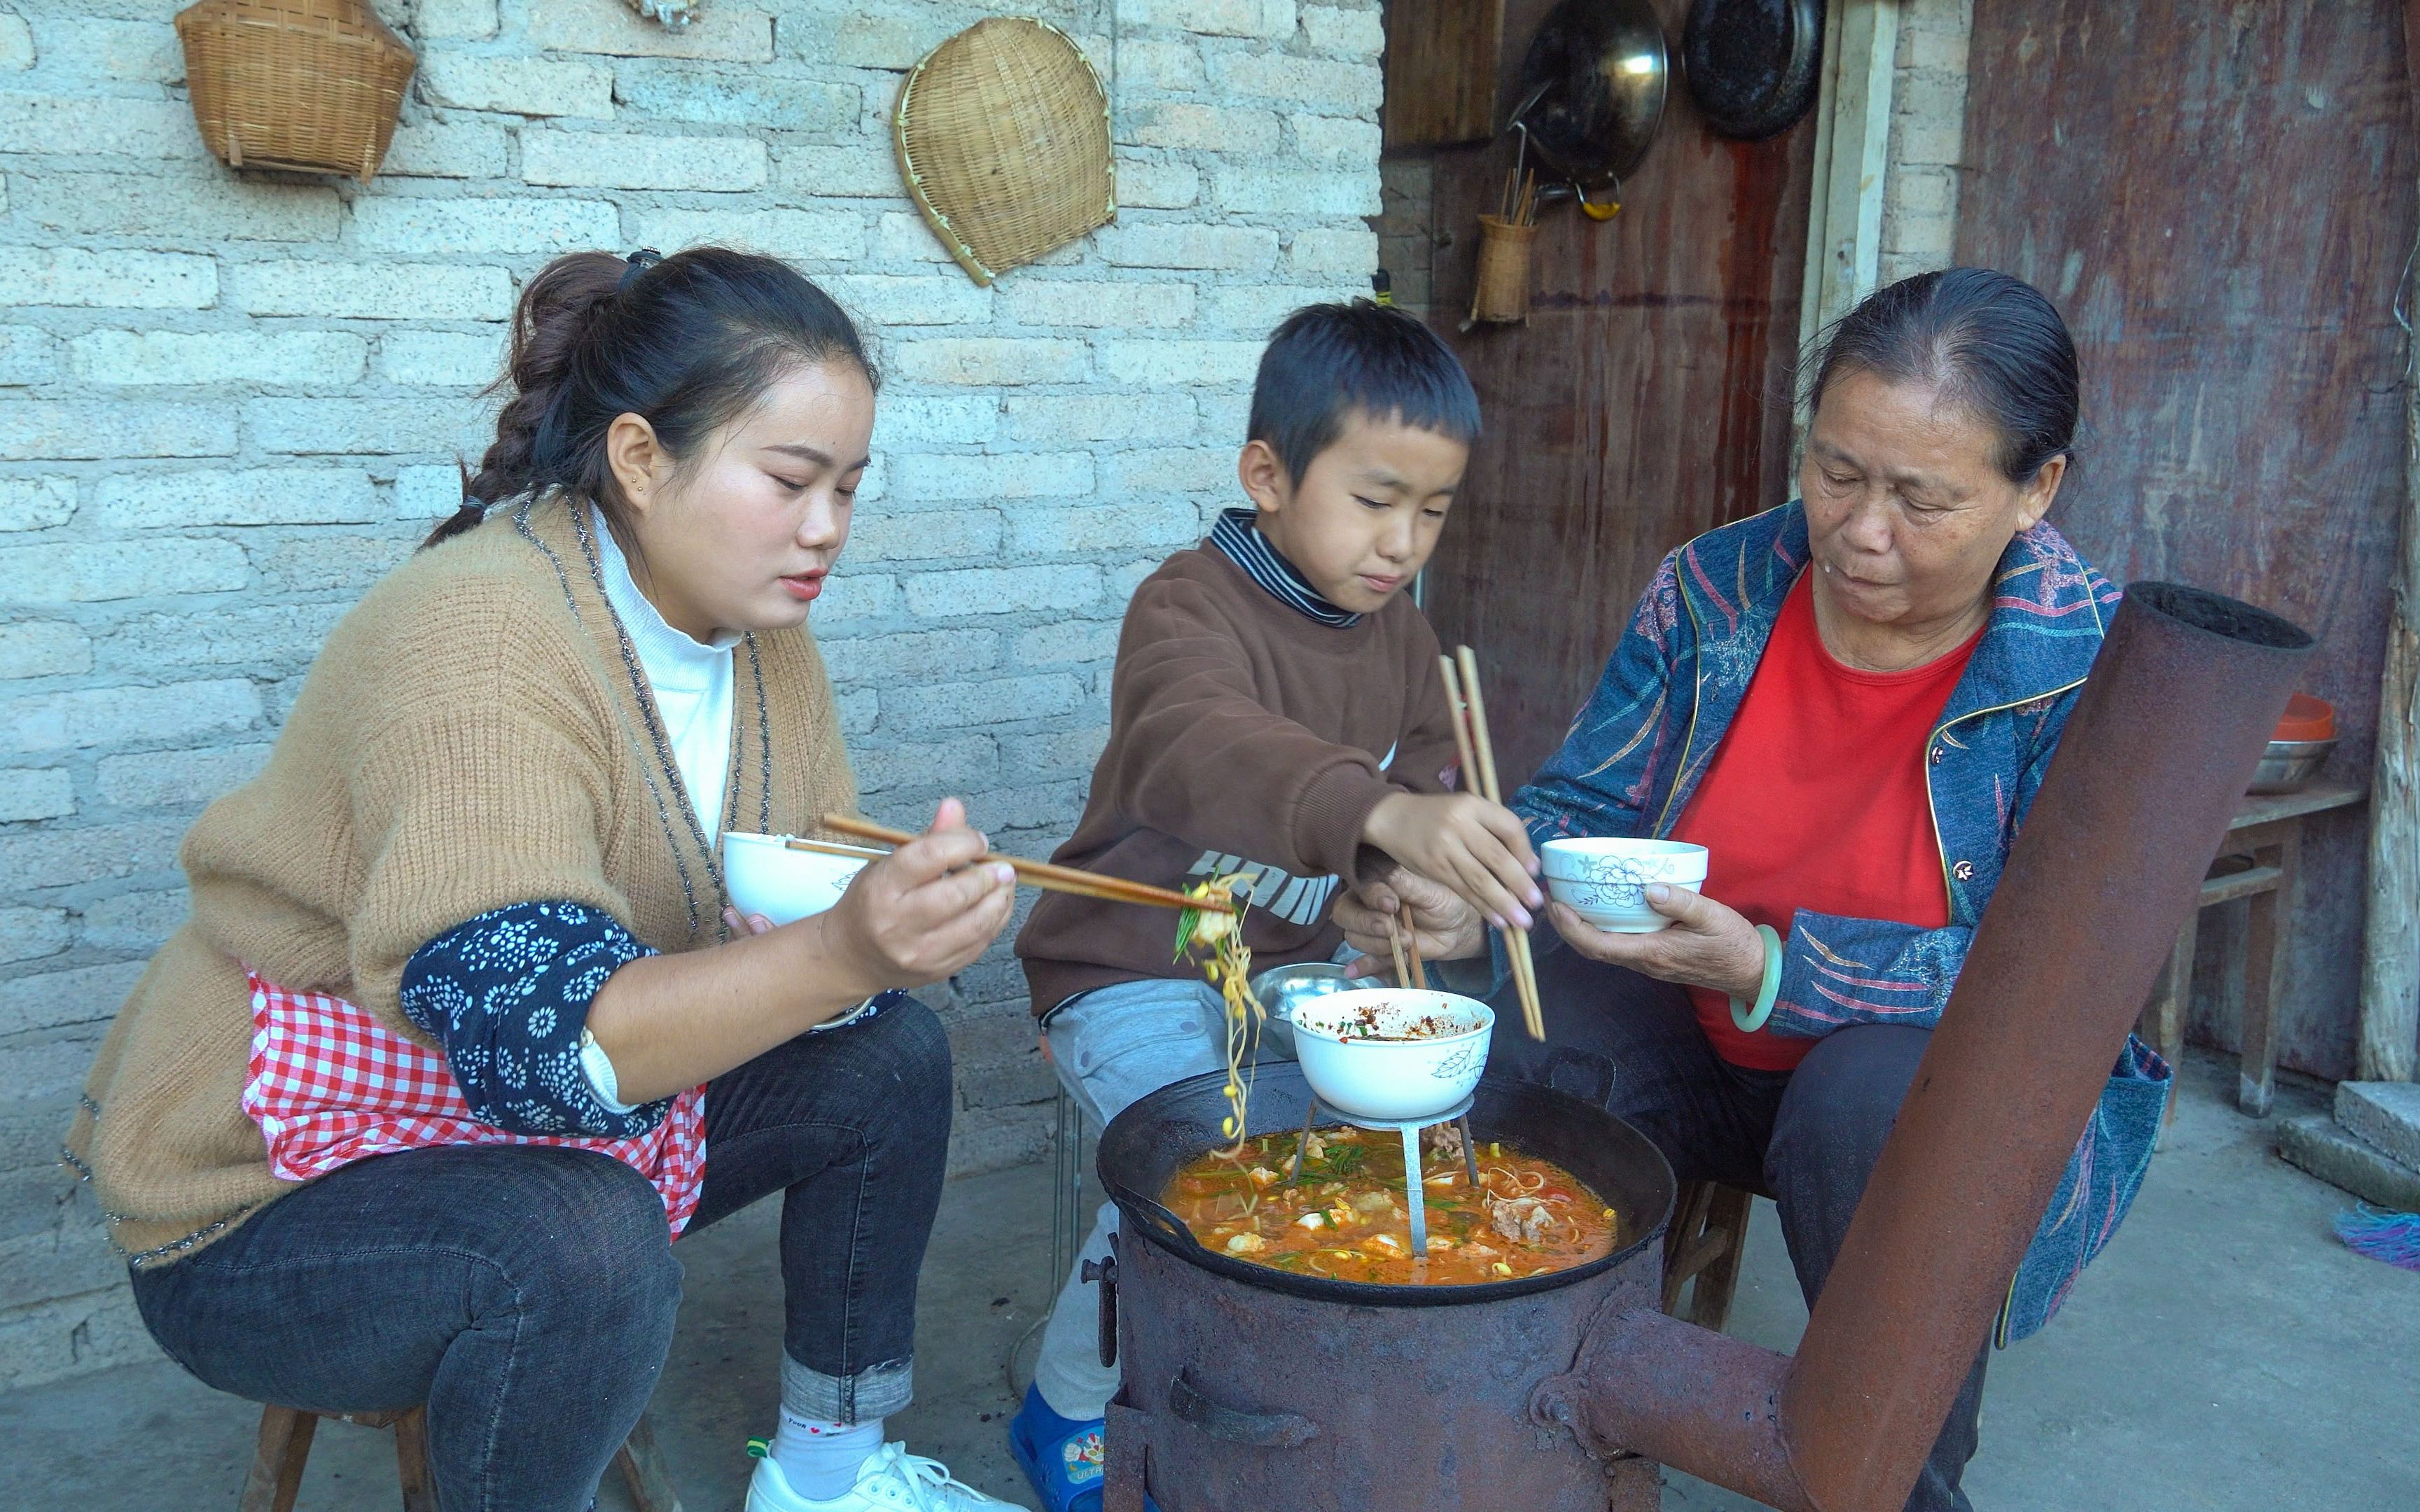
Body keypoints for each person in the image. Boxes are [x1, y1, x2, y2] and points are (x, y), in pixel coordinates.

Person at [64, 247, 1032, 1512]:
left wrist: (871, 951)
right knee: (580, 1244)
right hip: (270, 1198)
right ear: (640, 458)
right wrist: (838, 950)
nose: (827, 529)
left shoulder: (768, 650)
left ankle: (828, 1478)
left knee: (888, 1060)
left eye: (850, 487)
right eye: (791, 481)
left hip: (534, 1131)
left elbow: (778, 953)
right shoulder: (479, 630)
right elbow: (543, 1053)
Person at [1339, 267, 2171, 1512]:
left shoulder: (2094, 668)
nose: (1860, 528)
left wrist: (1780, 968)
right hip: (1688, 1038)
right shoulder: (1715, 587)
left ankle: (1894, 1485)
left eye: (1922, 498)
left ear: (2036, 489)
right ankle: (1531, 1439)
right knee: (1520, 1023)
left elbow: (2060, 985)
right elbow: (1577, 812)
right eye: (1836, 471)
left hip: (1900, 1099)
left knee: (1874, 1101)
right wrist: (1480, 895)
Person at [1006, 301, 1543, 1512]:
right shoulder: (1187, 606)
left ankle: (1280, 1387)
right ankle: (1069, 1405)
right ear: (1267, 473)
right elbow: (1185, 743)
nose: (1404, 540)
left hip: (1297, 975)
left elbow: (1412, 824)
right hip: (1131, 963)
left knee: (1393, 1130)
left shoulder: (1406, 640)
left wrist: (1417, 903)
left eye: (1435, 510)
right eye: (1375, 498)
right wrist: (1383, 816)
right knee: (1198, 1153)